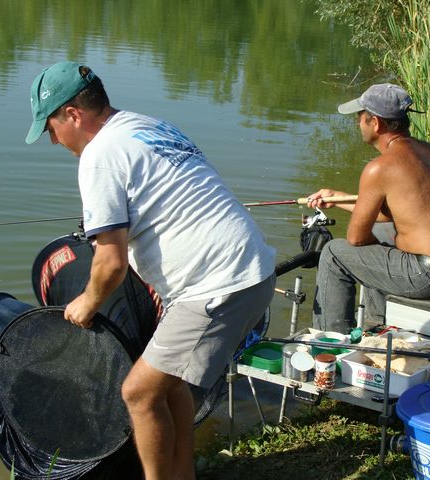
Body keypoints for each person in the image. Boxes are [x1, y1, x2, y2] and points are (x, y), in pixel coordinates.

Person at [25, 61, 276, 479]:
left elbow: (111, 263)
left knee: (138, 393)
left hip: (218, 284)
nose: (53, 140)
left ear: (72, 114)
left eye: (50, 128)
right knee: (168, 385)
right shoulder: (145, 126)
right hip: (249, 269)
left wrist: (86, 303)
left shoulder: (99, 157)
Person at [307, 83, 430, 334]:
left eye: (360, 117)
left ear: (376, 123)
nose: (357, 123)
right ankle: (378, 327)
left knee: (334, 253)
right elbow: (399, 213)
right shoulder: (426, 150)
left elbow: (356, 239)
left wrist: (377, 246)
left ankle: (329, 343)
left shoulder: (379, 168)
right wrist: (339, 199)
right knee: (382, 234)